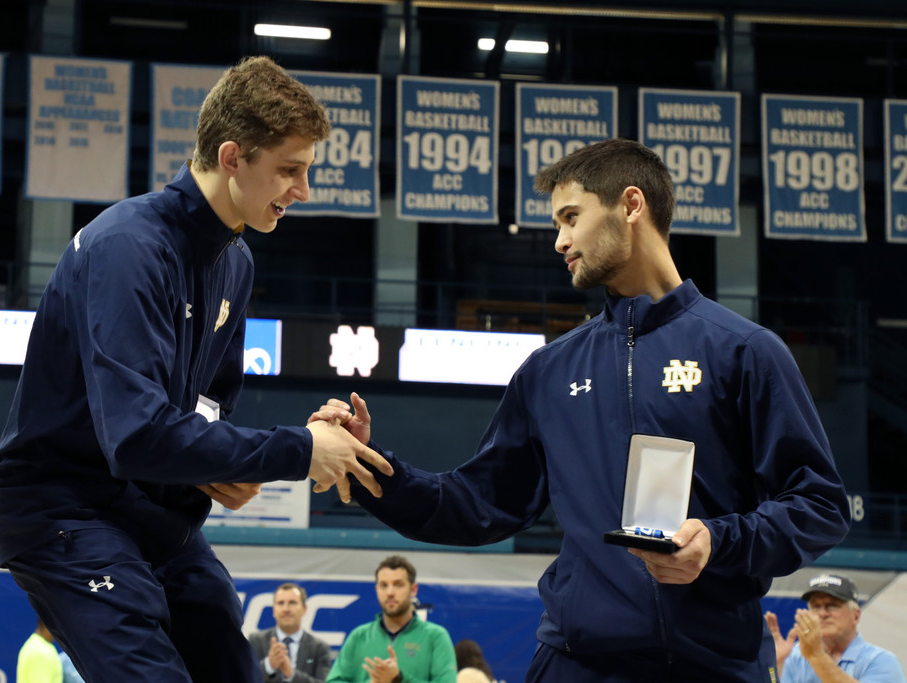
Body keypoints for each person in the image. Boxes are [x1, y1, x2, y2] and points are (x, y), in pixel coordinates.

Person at [314, 138, 851, 682]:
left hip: (714, 664)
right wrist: (364, 463)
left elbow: (820, 505)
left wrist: (720, 541)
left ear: (631, 205)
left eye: (571, 217)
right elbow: (476, 504)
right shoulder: (548, 372)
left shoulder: (745, 351)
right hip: (577, 661)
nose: (560, 241)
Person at [0, 55, 392, 683]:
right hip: (64, 507)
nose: (303, 190)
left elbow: (205, 412)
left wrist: (226, 465)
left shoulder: (236, 261)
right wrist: (299, 450)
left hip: (152, 509)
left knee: (227, 656)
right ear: (232, 158)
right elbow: (137, 436)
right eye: (289, 169)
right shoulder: (128, 247)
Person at [326, 555, 456, 683]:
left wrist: (399, 678)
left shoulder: (435, 637)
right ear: (376, 589)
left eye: (398, 585)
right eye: (383, 585)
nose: (390, 593)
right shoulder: (359, 636)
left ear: (413, 590)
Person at [766, 573, 907, 682]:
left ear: (856, 615)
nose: (823, 613)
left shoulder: (882, 661)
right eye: (816, 606)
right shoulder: (795, 657)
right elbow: (772, 679)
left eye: (832, 605)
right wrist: (774, 665)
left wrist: (816, 655)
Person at [249, 582, 333, 682]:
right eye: (281, 603)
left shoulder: (319, 648)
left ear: (304, 609)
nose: (286, 609)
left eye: (292, 603)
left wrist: (291, 674)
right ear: (274, 610)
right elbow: (244, 677)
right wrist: (269, 665)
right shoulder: (256, 641)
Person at [17, 619, 62, 683]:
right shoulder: (41, 652)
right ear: (48, 626)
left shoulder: (34, 645)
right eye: (57, 628)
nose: (60, 632)